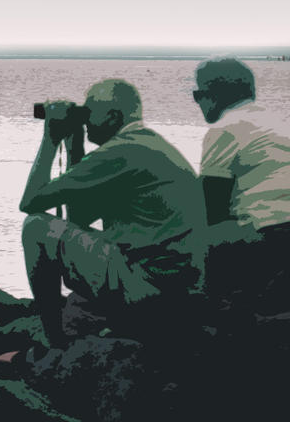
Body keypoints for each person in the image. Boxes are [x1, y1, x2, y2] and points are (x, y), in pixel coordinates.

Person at [19, 79, 205, 347]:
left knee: (35, 226)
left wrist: (50, 139)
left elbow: (30, 202)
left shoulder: (120, 152)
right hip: (179, 291)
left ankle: (55, 343)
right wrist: (74, 146)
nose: (85, 121)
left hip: (150, 290)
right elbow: (79, 219)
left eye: (89, 113)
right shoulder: (146, 145)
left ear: (113, 116)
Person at [194, 57, 290, 310]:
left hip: (270, 237)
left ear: (212, 95)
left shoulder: (225, 128)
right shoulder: (281, 123)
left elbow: (209, 210)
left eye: (197, 94)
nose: (197, 102)